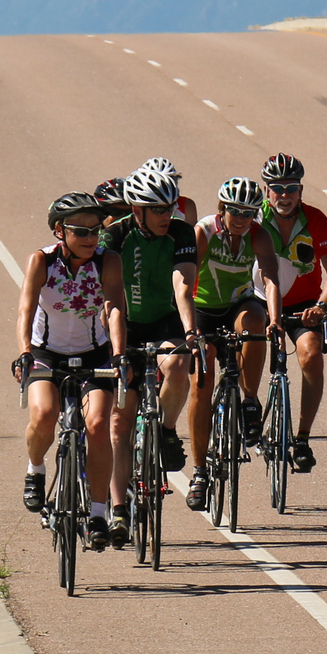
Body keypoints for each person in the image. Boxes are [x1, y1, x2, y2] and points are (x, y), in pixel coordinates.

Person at [15, 192, 129, 550]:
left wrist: (119, 354)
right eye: (80, 231)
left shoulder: (107, 260)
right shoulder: (42, 262)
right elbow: (26, 309)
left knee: (97, 424)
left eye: (96, 231)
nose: (90, 239)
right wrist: (23, 352)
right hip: (47, 353)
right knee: (45, 413)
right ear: (58, 232)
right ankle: (35, 469)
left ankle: (97, 511)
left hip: (94, 354)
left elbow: (113, 308)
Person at [105, 167, 200, 512]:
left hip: (165, 320)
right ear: (137, 211)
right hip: (125, 324)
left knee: (177, 364)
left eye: (170, 207)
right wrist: (114, 349)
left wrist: (190, 332)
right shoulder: (115, 236)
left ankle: (167, 430)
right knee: (119, 422)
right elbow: (109, 295)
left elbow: (184, 285)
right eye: (158, 209)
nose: (167, 215)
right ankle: (117, 509)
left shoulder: (182, 231)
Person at [185, 177, 281, 511]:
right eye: (235, 211)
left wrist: (275, 318)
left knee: (255, 327)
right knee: (201, 380)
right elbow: (185, 278)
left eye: (249, 212)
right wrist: (185, 327)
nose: (241, 218)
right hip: (203, 308)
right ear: (222, 208)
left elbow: (269, 280)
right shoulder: (204, 232)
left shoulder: (259, 234)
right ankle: (199, 473)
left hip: (239, 304)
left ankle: (250, 400)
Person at [257, 152, 327, 474]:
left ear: (301, 191)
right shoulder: (254, 219)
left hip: (303, 308)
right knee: (244, 347)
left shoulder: (316, 219)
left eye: (291, 187)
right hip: (259, 303)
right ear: (267, 191)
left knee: (310, 354)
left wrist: (320, 307)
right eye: (277, 187)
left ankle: (302, 437)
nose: (284, 194)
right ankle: (250, 406)